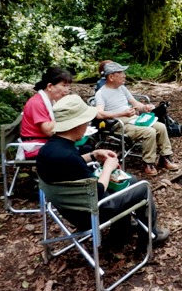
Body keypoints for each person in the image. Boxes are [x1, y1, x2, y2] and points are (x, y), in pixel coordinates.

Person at [36, 95, 169, 247]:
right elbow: (98, 190)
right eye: (86, 121)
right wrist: (108, 168)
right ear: (77, 125)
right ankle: (150, 237)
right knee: (142, 188)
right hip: (91, 213)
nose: (87, 125)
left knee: (129, 180)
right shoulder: (68, 155)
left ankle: (120, 234)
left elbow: (71, 163)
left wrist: (94, 154)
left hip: (70, 208)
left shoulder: (49, 149)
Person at [95, 62, 178, 176]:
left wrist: (145, 107)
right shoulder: (101, 93)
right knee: (149, 132)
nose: (124, 75)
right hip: (119, 123)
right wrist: (121, 113)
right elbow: (99, 114)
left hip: (133, 118)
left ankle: (165, 157)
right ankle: (148, 163)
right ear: (111, 77)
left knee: (161, 127)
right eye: (121, 73)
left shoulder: (122, 88)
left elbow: (134, 103)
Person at [20, 67, 73, 158]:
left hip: (46, 143)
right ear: (50, 86)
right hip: (36, 148)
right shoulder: (37, 103)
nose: (67, 90)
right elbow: (48, 131)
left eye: (68, 86)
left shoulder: (50, 101)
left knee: (85, 148)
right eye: (64, 86)